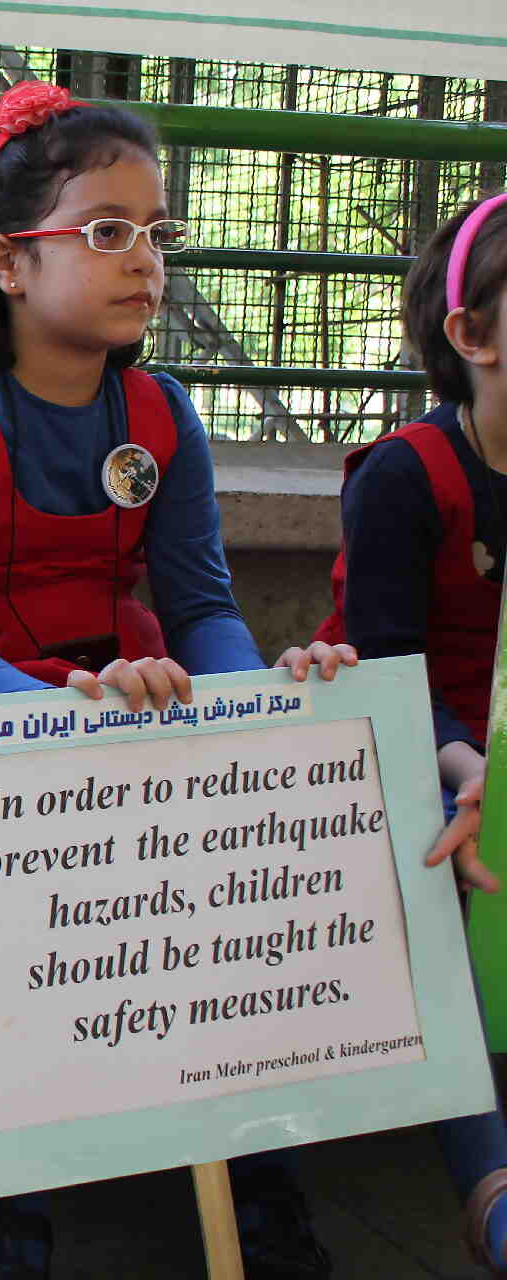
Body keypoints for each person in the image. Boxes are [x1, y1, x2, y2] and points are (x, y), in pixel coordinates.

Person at [0, 80, 353, 1279]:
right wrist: (59, 726)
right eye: (108, 230)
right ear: (10, 263)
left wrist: (247, 706)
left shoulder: (163, 413)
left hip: (118, 701)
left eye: (157, 232)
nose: (145, 260)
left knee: (236, 893)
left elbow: (204, 608)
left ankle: (260, 1172)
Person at [313, 188, 507, 1274]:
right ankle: (489, 1178)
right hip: (406, 736)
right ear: (471, 336)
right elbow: (387, 671)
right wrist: (483, 772)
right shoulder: (407, 476)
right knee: (445, 850)